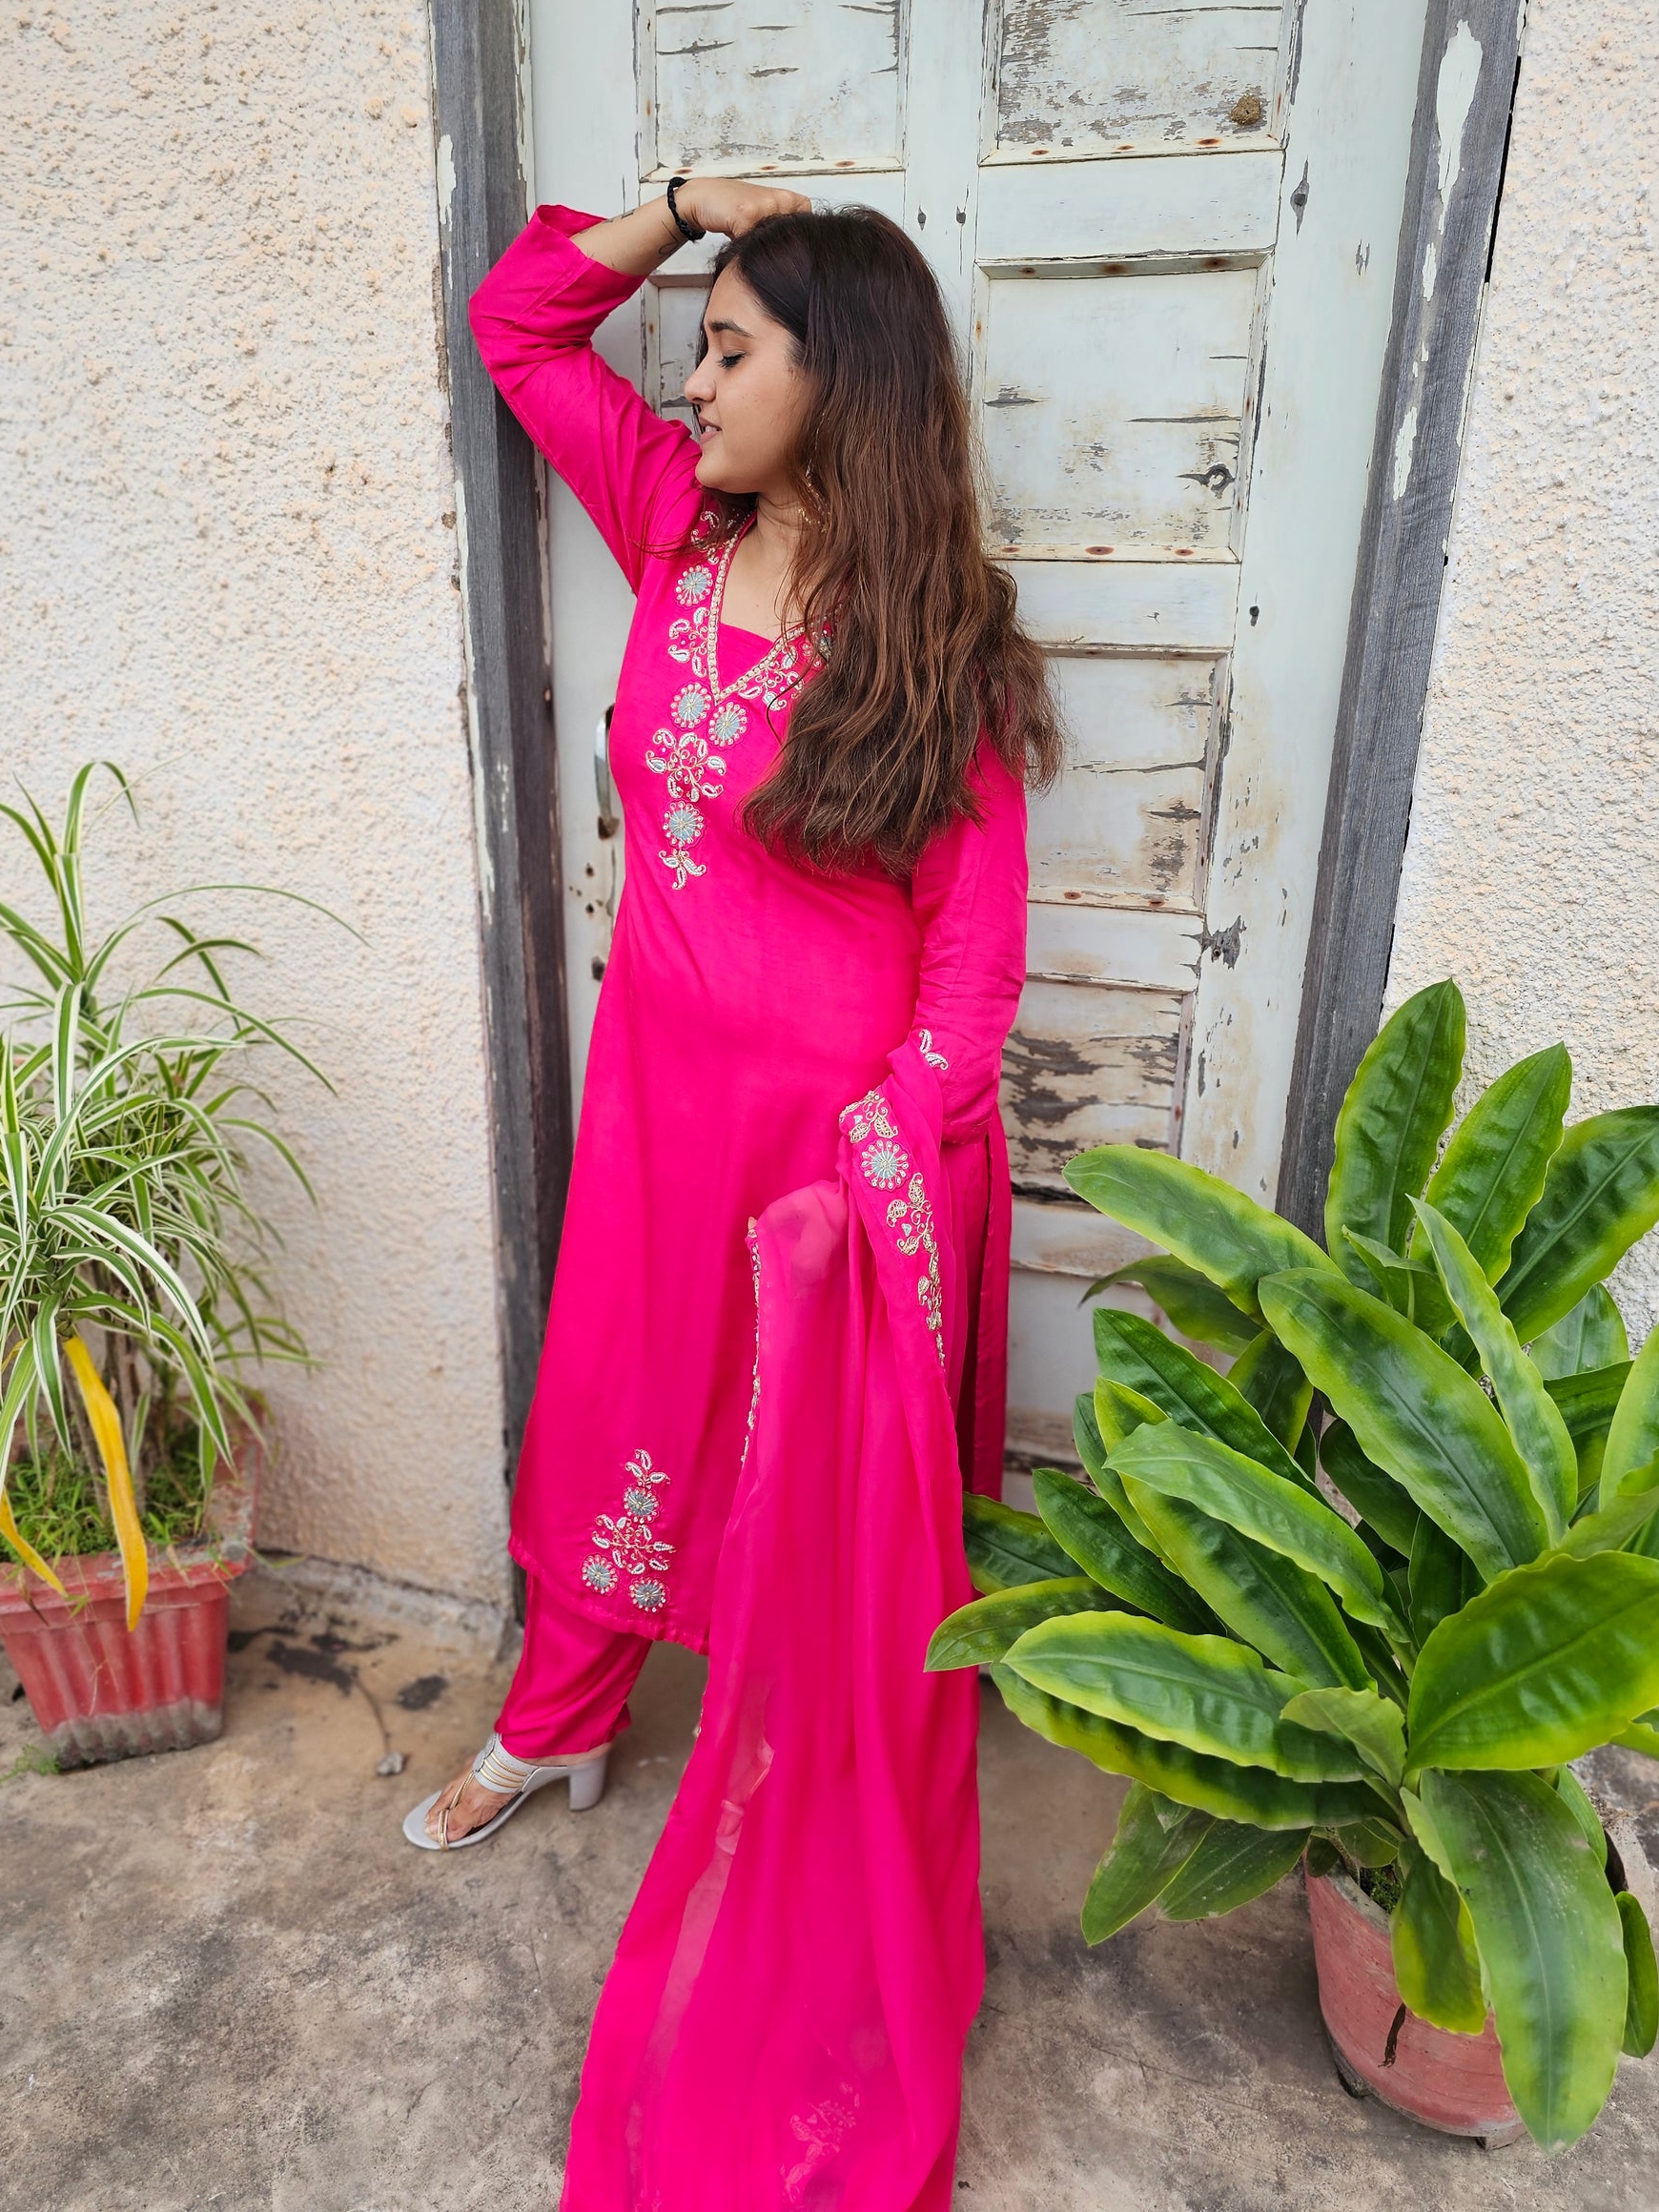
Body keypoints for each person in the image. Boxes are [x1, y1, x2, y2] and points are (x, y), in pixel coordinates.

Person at [405, 176, 1058, 2206]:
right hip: (659, 1106)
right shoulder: (671, 530)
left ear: (835, 378)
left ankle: (771, 1757)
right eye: (693, 349)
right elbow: (518, 326)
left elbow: (973, 971)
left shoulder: (938, 645)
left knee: (784, 1473)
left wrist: (884, 1150)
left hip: (833, 1151)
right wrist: (685, 206)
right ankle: (561, 1714)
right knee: (620, 1402)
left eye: (727, 347)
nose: (686, 383)